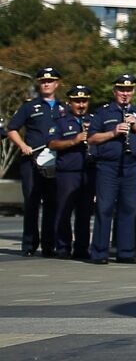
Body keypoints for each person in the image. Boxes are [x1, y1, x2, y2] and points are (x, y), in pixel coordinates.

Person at [86, 72, 136, 264]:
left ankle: (126, 251)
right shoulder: (103, 112)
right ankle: (99, 252)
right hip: (108, 166)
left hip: (132, 166)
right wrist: (113, 132)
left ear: (134, 91)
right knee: (104, 207)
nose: (125, 93)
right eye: (121, 89)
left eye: (129, 90)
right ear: (114, 90)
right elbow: (91, 138)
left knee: (129, 208)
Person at [6, 65, 65, 257]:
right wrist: (22, 145)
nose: (46, 84)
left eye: (50, 81)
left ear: (57, 84)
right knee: (31, 202)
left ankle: (49, 245)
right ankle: (29, 244)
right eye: (43, 81)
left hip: (55, 161)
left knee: (52, 203)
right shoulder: (29, 106)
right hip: (31, 161)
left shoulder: (64, 107)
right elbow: (12, 129)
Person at [47, 85, 95, 259]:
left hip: (88, 171)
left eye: (84, 101)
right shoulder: (61, 122)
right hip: (68, 172)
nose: (81, 105)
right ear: (70, 102)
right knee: (64, 211)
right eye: (77, 101)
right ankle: (62, 248)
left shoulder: (94, 120)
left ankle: (82, 248)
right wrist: (74, 141)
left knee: (84, 213)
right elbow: (52, 144)